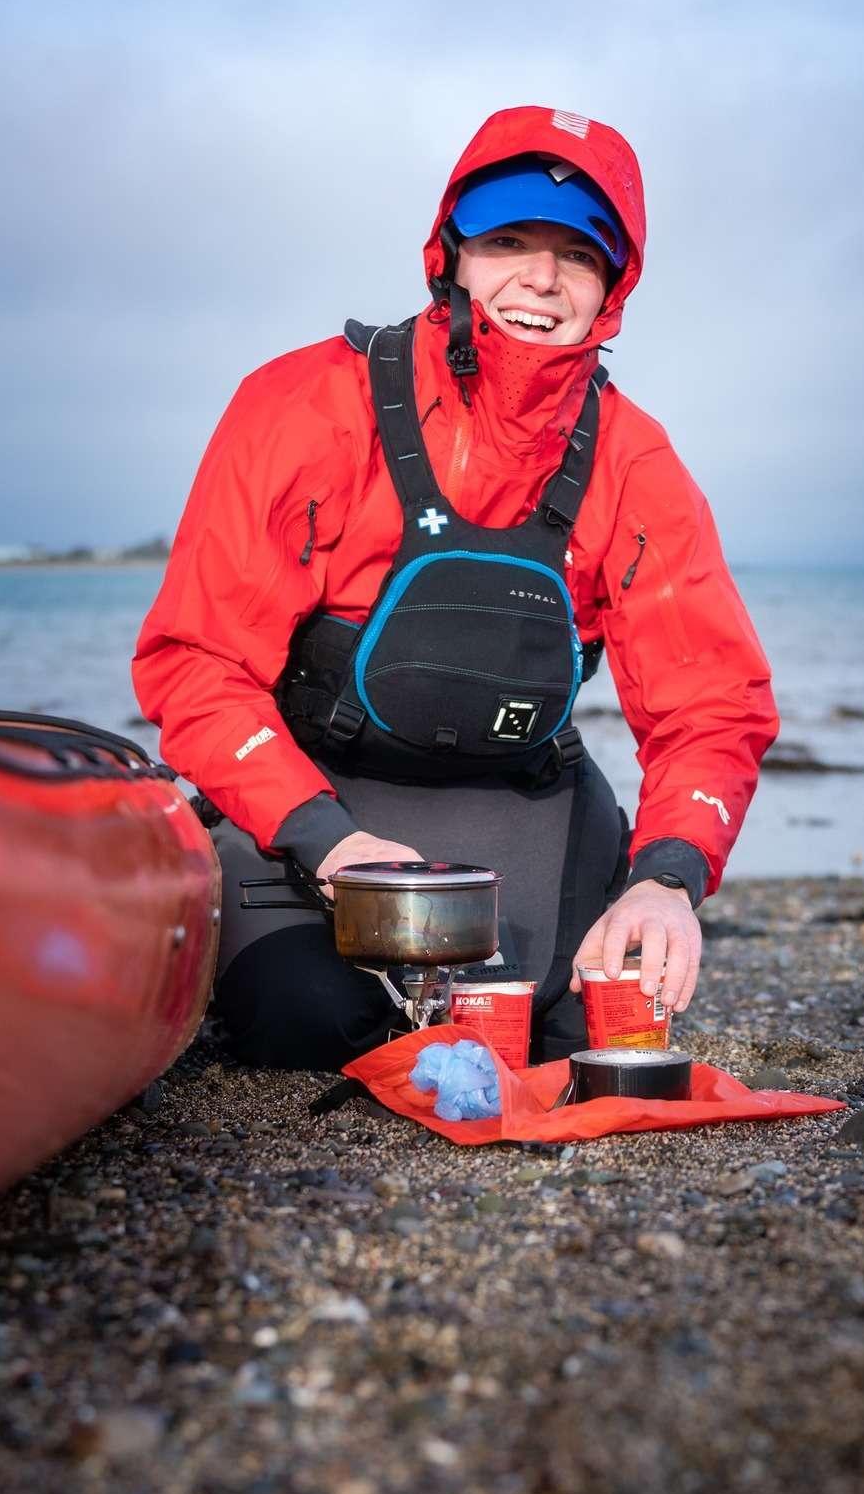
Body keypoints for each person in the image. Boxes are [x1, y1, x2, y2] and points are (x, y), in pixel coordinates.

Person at [133, 106, 777, 1070]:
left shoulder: (636, 459)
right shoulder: (303, 404)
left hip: (523, 804)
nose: (541, 279)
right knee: (306, 1024)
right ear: (452, 257)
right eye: (508, 242)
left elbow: (711, 702)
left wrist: (669, 877)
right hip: (315, 807)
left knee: (560, 1040)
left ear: (611, 287)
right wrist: (326, 841)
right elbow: (197, 663)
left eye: (578, 254)